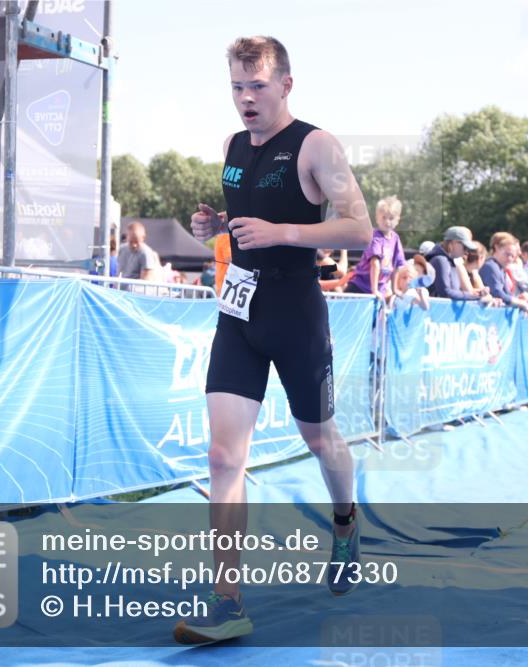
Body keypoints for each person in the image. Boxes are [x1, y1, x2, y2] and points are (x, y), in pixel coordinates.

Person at [183, 36, 372, 645]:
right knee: (221, 456)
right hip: (239, 312)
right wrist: (211, 226)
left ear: (285, 85)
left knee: (318, 436)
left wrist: (282, 231)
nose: (245, 99)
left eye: (257, 86)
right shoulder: (232, 146)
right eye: (236, 86)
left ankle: (346, 521)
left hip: (295, 312)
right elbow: (243, 223)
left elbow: (361, 229)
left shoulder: (318, 145)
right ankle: (227, 599)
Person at [344, 195, 405, 298]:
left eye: (391, 218)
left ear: (397, 219)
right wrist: (374, 289)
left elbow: (396, 266)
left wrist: (394, 289)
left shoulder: (395, 239)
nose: (387, 221)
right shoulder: (374, 237)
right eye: (384, 217)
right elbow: (375, 264)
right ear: (377, 217)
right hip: (360, 287)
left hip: (379, 290)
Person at [425, 227, 493, 303]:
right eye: (465, 247)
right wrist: (476, 297)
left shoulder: (449, 261)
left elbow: (453, 291)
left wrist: (476, 293)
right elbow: (445, 292)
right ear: (452, 243)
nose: (467, 252)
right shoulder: (441, 260)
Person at [479, 232, 528, 314]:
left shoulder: (500, 268)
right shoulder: (491, 266)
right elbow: (497, 293)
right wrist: (521, 303)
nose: (510, 259)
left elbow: (507, 294)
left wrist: (520, 299)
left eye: (512, 256)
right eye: (507, 254)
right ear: (496, 248)